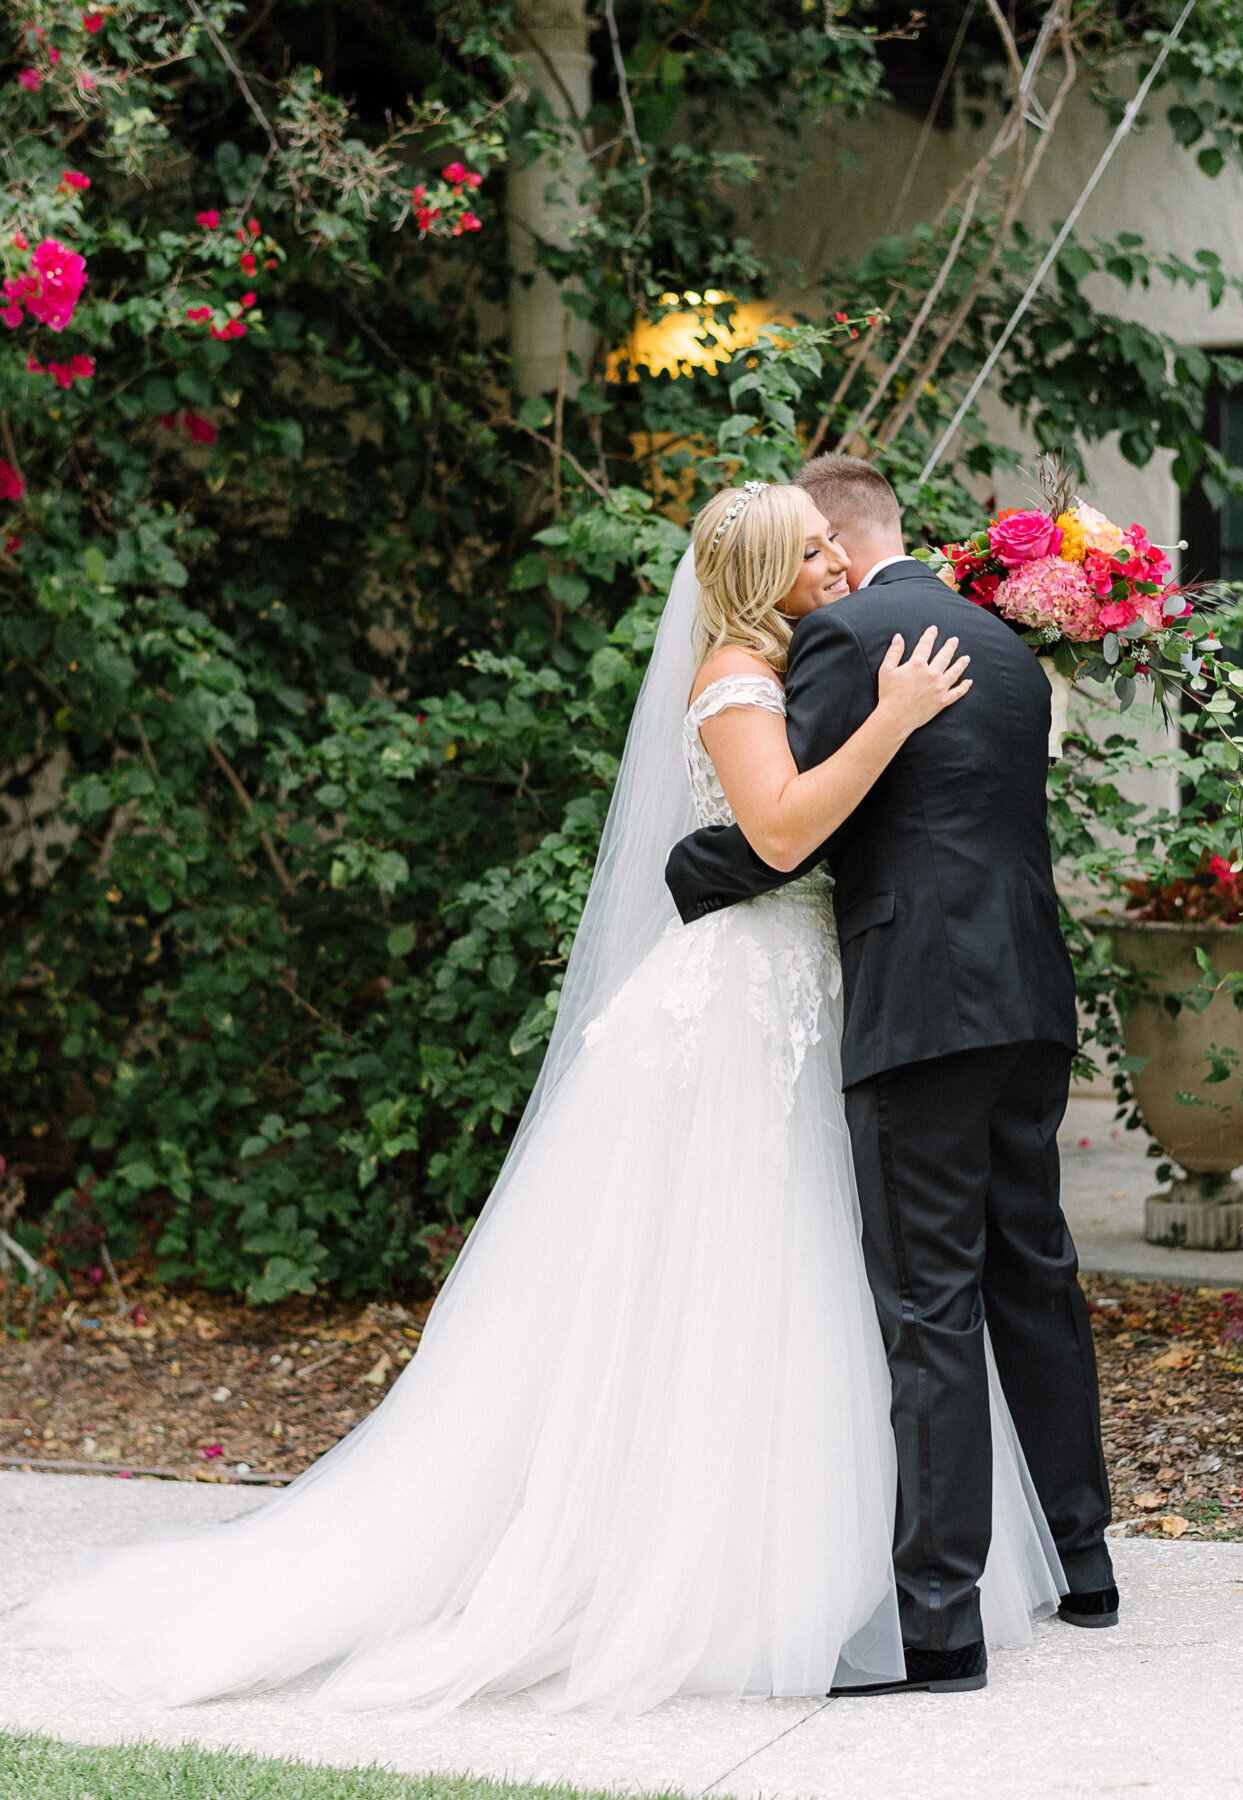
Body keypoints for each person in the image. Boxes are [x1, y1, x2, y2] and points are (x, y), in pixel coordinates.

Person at [18, 480, 1062, 1716]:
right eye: (816, 549)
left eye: (838, 544)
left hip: (814, 990)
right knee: (738, 1272)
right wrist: (891, 721)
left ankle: (826, 1566)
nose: (842, 562)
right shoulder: (734, 675)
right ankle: (705, 1580)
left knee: (816, 1277)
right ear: (763, 570)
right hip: (738, 1001)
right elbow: (780, 835)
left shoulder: (796, 665)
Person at [666, 454, 1117, 1700]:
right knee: (1035, 1271)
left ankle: (938, 1624)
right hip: (1029, 993)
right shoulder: (1014, 647)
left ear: (842, 546)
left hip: (919, 999)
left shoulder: (847, 639)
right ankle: (1085, 1564)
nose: (821, 568)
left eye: (823, 546)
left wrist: (688, 880)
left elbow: (792, 829)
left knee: (928, 1303)